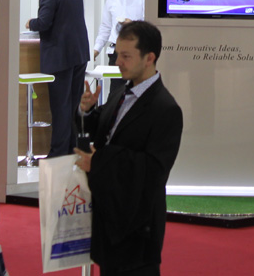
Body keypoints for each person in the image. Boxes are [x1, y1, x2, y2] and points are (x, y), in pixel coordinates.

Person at [75, 20, 183, 276]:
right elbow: (104, 131)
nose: (118, 63)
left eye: (126, 56)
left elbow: (153, 171)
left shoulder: (166, 109)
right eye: (117, 54)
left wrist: (99, 162)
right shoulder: (122, 93)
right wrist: (87, 111)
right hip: (109, 221)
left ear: (149, 58)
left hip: (137, 230)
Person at [28, 0, 91, 158]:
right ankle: (72, 148)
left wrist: (31, 23)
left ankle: (58, 153)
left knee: (60, 106)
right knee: (73, 105)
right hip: (79, 52)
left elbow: (44, 22)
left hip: (59, 56)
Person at [94, 0, 145, 65]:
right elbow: (105, 28)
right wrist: (96, 50)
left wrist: (133, 25)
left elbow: (151, 24)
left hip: (137, 49)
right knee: (115, 76)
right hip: (116, 51)